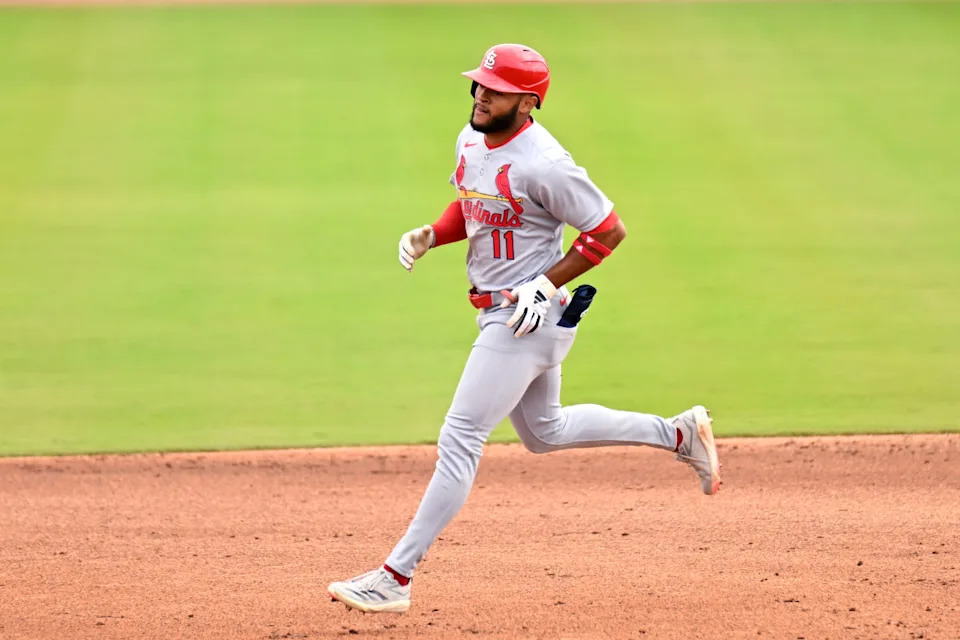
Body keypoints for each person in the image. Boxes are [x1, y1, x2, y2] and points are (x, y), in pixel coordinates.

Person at [328, 43, 721, 614]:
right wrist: (432, 234)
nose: (481, 96)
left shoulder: (546, 163)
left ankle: (395, 577)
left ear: (528, 102)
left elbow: (608, 231)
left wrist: (545, 282)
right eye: (479, 85)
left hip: (526, 317)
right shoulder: (470, 139)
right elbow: (472, 205)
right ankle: (678, 434)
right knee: (544, 432)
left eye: (496, 91)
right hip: (503, 311)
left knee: (460, 437)